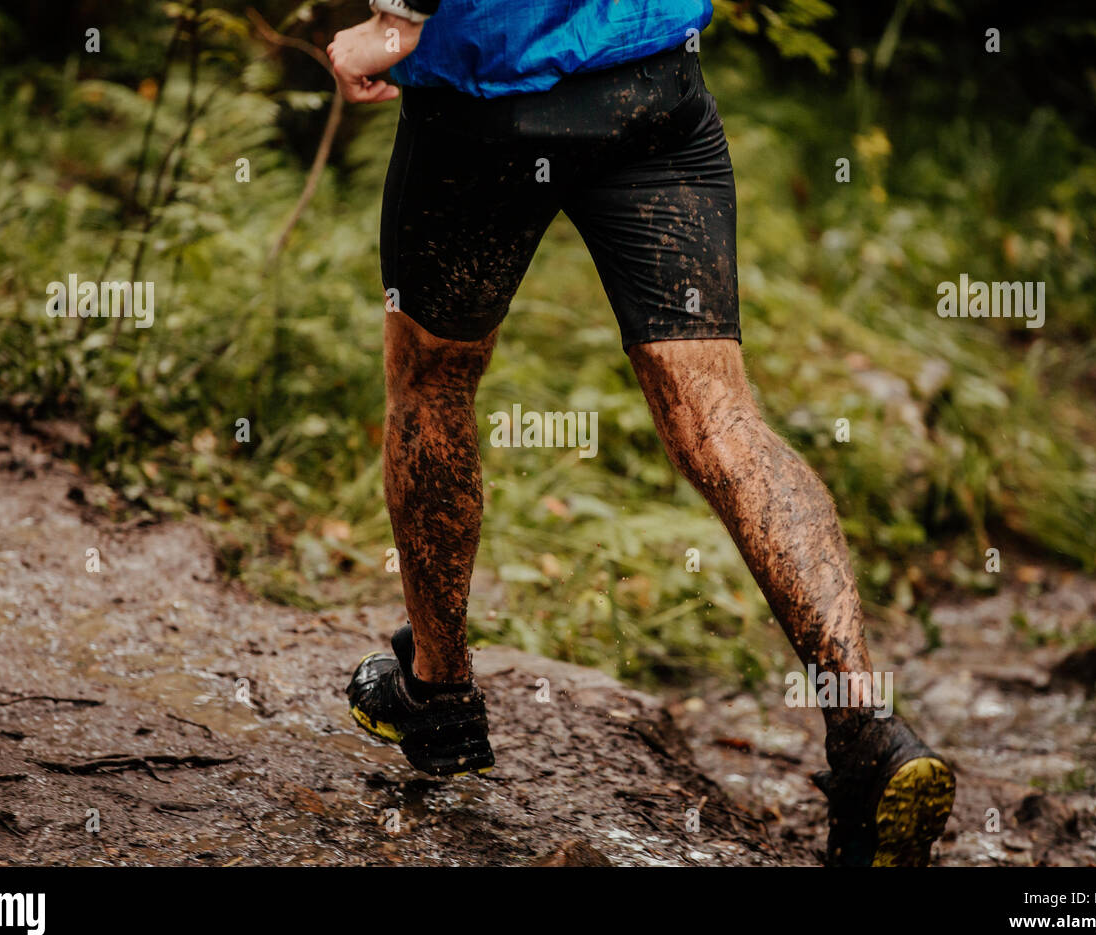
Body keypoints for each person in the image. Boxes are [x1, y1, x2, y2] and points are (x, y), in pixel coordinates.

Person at [328, 0, 956, 866]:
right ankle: (867, 726)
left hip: (486, 96)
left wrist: (400, 20)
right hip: (653, 86)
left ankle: (437, 693)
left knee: (432, 380)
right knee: (724, 419)